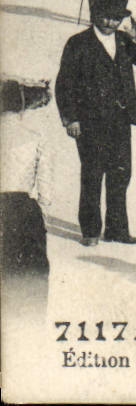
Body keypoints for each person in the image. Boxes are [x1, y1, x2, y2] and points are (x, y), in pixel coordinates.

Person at [54, 0, 136, 246]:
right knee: (92, 175)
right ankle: (90, 231)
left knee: (120, 175)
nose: (111, 23)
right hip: (90, 123)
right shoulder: (78, 43)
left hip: (120, 120)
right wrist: (71, 118)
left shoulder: (124, 41)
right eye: (106, 17)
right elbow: (64, 84)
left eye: (116, 18)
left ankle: (117, 230)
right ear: (94, 15)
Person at [1, 77, 54, 321]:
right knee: (30, 276)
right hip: (23, 208)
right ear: (22, 107)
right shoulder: (33, 136)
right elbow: (45, 179)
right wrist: (42, 208)